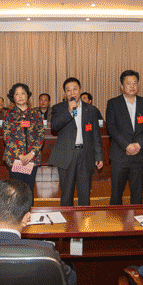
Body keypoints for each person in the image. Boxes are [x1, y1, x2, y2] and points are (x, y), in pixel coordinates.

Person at [50, 78, 104, 206]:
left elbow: (96, 134)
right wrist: (69, 111)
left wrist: (98, 156)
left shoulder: (91, 110)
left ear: (80, 90)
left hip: (85, 155)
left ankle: (84, 217)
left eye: (75, 89)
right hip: (66, 155)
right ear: (65, 93)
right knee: (66, 193)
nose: (72, 92)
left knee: (85, 193)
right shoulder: (58, 108)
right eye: (68, 90)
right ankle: (67, 218)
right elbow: (54, 127)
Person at [105, 70, 143, 205]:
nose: (132, 86)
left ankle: (136, 217)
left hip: (139, 155)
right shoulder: (113, 103)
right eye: (128, 83)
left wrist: (138, 144)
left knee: (137, 193)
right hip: (119, 156)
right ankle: (115, 217)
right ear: (122, 86)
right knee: (116, 193)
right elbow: (111, 128)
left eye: (135, 83)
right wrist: (127, 145)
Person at [2, 83, 44, 190]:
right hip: (15, 159)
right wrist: (20, 155)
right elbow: (7, 136)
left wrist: (31, 154)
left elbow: (40, 135)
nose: (20, 96)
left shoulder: (36, 114)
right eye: (17, 94)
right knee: (17, 190)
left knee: (29, 189)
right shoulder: (9, 114)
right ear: (13, 97)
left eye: (23, 93)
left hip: (32, 159)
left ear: (28, 95)